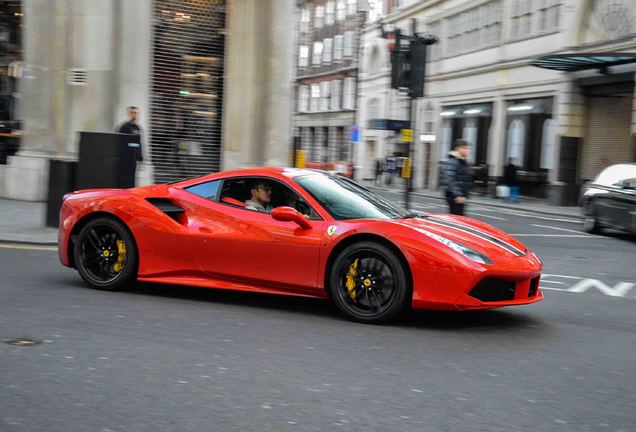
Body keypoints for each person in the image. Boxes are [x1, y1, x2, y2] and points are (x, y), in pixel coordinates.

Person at [440, 139, 472, 216]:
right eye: (464, 148)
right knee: (458, 219)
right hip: (455, 196)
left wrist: (465, 195)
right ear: (457, 149)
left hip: (460, 196)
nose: (467, 150)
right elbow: (449, 179)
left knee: (459, 219)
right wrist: (457, 195)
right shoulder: (453, 161)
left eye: (467, 148)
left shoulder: (461, 161)